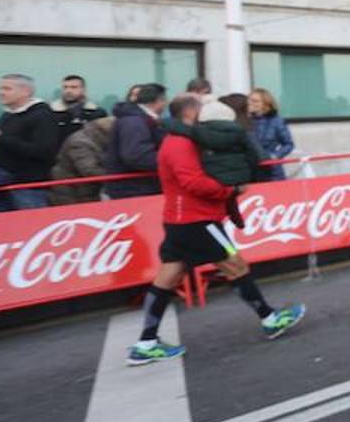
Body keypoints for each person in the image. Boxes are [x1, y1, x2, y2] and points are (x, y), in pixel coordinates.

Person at [127, 95, 305, 366]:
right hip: (197, 220)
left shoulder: (181, 141)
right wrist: (231, 190)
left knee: (169, 275)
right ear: (190, 114)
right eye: (201, 110)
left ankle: (146, 342)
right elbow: (194, 183)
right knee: (234, 263)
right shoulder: (180, 143)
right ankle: (270, 319)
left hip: (183, 220)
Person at [0, 73, 59, 212]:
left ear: (26, 91)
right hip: (2, 185)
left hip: (28, 188)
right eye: (0, 89)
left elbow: (44, 152)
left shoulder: (43, 116)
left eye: (7, 89)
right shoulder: (8, 114)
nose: (1, 93)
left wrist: (1, 138)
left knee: (33, 228)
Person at [103, 83, 167, 199]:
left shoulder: (138, 119)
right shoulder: (134, 122)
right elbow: (136, 156)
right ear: (159, 100)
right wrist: (169, 161)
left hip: (137, 187)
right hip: (133, 190)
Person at [51, 115, 115, 204]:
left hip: (86, 191)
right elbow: (89, 170)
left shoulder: (96, 140)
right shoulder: (80, 142)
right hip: (73, 193)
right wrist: (118, 175)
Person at [51, 74, 107, 150]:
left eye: (74, 87)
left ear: (83, 90)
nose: (68, 91)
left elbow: (103, 140)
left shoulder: (97, 113)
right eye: (65, 87)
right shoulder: (51, 112)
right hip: (58, 159)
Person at [249, 87, 294, 180]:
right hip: (251, 170)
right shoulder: (246, 121)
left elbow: (288, 144)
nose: (250, 103)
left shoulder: (276, 121)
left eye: (255, 101)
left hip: (272, 170)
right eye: (249, 100)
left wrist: (275, 155)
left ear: (265, 104)